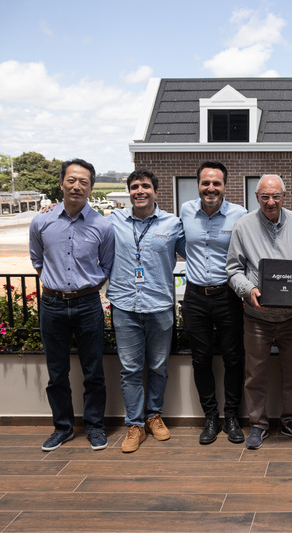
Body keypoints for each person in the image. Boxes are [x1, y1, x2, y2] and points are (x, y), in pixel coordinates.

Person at [29, 159, 114, 452]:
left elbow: (108, 265)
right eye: (72, 180)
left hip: (88, 303)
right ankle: (62, 428)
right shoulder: (42, 221)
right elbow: (37, 261)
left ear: (91, 187)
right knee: (56, 373)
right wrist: (57, 288)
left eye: (84, 182)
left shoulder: (103, 225)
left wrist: (83, 288)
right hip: (51, 305)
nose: (77, 186)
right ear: (62, 183)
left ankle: (94, 427)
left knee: (93, 371)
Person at [226, 174, 292, 449]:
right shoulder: (242, 227)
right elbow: (233, 269)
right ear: (256, 197)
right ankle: (258, 424)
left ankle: (291, 420)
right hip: (257, 318)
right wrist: (247, 290)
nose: (271, 201)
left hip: (291, 317)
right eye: (265, 196)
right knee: (255, 373)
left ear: (284, 196)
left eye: (276, 196)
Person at [107, 169, 186, 453]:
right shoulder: (113, 221)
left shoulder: (173, 223)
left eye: (145, 186)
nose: (139, 191)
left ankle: (153, 416)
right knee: (129, 369)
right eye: (134, 187)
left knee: (157, 367)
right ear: (129, 192)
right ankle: (134, 425)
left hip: (160, 305)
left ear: (156, 191)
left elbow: (198, 250)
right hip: (124, 306)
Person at [180, 161, 247, 445]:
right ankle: (211, 417)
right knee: (201, 359)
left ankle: (231, 416)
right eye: (206, 183)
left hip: (228, 295)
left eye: (216, 183)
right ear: (198, 185)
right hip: (195, 296)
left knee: (234, 358)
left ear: (224, 186)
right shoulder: (185, 211)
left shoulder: (239, 214)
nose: (211, 188)